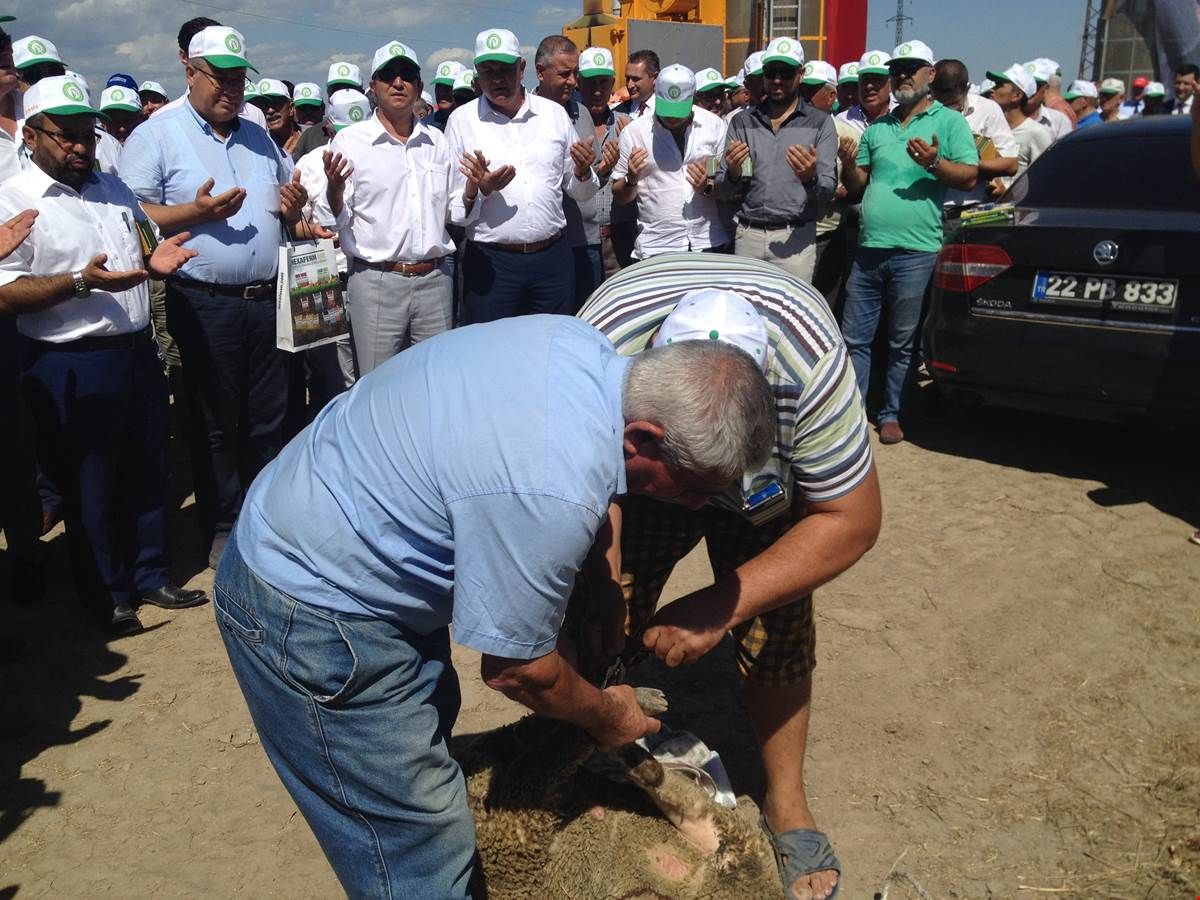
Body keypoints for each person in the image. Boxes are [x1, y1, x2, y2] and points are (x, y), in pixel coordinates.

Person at [214, 312, 776, 897]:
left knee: (428, 749)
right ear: (644, 439)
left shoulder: (585, 351)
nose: (693, 507)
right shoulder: (548, 485)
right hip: (311, 608)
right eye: (694, 488)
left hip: (334, 522)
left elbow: (554, 485)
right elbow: (515, 671)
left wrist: (603, 585)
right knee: (415, 845)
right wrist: (612, 716)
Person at [579, 261, 881, 900]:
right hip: (647, 480)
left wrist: (720, 605)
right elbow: (582, 481)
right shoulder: (601, 350)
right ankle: (609, 743)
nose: (699, 505)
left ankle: (787, 803)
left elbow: (851, 519)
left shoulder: (811, 368)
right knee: (599, 605)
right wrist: (604, 581)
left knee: (780, 626)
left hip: (764, 490)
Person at [0, 76, 208, 633]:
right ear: (32, 134)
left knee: (146, 468)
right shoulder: (13, 199)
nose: (79, 146)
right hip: (71, 360)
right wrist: (77, 283)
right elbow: (5, 292)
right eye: (64, 135)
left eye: (85, 134)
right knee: (89, 483)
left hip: (136, 351)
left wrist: (156, 256)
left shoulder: (111, 187)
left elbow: (140, 239)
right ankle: (106, 592)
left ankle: (150, 573)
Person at [119, 25, 310, 570]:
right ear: (189, 72)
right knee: (215, 420)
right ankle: (224, 524)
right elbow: (128, 218)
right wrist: (194, 214)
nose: (229, 90)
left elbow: (284, 201)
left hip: (267, 298)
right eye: (218, 79)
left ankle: (267, 520)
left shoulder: (255, 134)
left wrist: (293, 208)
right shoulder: (156, 135)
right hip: (203, 302)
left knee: (270, 420)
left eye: (236, 80)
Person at [839, 39, 979, 445]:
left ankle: (891, 414)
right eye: (897, 68)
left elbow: (969, 177)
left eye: (912, 68)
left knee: (902, 342)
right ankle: (852, 414)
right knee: (855, 339)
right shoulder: (878, 128)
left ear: (930, 75)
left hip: (916, 251)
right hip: (869, 250)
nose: (902, 75)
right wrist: (849, 165)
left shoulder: (949, 123)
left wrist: (934, 163)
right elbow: (858, 187)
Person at [317, 40, 455, 375]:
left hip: (434, 278)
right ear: (373, 87)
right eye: (388, 76)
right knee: (378, 385)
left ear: (419, 87)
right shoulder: (351, 142)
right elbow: (330, 217)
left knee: (434, 380)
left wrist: (478, 190)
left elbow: (456, 209)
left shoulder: (438, 142)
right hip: (377, 280)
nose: (398, 83)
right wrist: (334, 188)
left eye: (407, 75)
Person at [445, 28, 598, 323]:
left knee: (550, 349)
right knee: (491, 353)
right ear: (477, 75)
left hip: (552, 261)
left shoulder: (554, 115)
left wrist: (581, 171)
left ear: (523, 68)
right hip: (492, 264)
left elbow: (579, 191)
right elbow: (453, 211)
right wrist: (478, 190)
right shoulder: (461, 122)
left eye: (505, 69)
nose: (498, 78)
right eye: (488, 71)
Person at [721, 38, 835, 283]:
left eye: (785, 73)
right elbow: (722, 188)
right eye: (771, 72)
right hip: (748, 237)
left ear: (801, 74)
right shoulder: (741, 122)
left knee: (790, 315)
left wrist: (810, 178)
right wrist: (732, 173)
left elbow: (827, 191)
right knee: (746, 316)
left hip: (795, 240)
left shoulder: (821, 123)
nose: (777, 80)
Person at [289, 88, 370, 413]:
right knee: (327, 373)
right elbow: (291, 221)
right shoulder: (308, 164)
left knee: (364, 370)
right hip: (316, 275)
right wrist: (312, 228)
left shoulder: (376, 158)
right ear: (328, 129)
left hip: (360, 272)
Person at [612, 64, 729, 259]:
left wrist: (707, 185)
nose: (672, 118)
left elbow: (722, 180)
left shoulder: (714, 126)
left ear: (693, 97)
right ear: (656, 95)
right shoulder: (635, 133)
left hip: (707, 241)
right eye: (667, 109)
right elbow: (620, 196)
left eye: (679, 110)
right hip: (658, 246)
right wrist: (631, 178)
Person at [535, 35, 603, 306]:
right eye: (565, 74)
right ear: (540, 72)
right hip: (546, 246)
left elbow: (594, 175)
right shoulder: (523, 118)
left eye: (575, 73)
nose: (574, 82)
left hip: (586, 240)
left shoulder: (582, 114)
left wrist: (590, 169)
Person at [152, 17, 267, 130]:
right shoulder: (157, 130)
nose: (231, 90)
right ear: (191, 74)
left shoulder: (257, 128)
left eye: (239, 79)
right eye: (221, 78)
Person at [931, 59, 1019, 204]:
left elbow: (1010, 165)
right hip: (931, 211)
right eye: (941, 104)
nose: (947, 111)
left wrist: (963, 163)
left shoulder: (987, 110)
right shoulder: (922, 112)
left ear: (967, 88)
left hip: (970, 211)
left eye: (953, 103)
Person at [577, 47, 628, 281]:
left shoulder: (626, 126)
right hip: (580, 241)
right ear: (578, 82)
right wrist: (601, 170)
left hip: (619, 240)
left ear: (613, 83)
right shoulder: (566, 125)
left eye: (603, 82)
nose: (597, 90)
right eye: (590, 83)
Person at [611, 49, 660, 267]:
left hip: (654, 211)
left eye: (636, 79)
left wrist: (636, 134)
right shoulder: (617, 112)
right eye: (627, 78)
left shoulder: (666, 115)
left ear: (655, 78)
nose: (630, 85)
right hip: (623, 208)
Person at [988, 64, 1051, 179]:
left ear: (1016, 95)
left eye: (999, 85)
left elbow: (1044, 176)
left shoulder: (1036, 133)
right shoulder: (990, 126)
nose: (992, 90)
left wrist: (1006, 191)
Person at [837, 49, 893, 133]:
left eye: (876, 79)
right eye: (865, 79)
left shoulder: (904, 116)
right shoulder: (842, 121)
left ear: (891, 84)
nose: (869, 86)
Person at [1023, 59, 1072, 139]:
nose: (1030, 90)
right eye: (1025, 85)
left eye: (1036, 85)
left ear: (1045, 88)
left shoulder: (1059, 120)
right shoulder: (1003, 117)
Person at [251, 78, 300, 157]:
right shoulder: (255, 147)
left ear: (291, 108)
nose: (270, 111)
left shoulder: (310, 138)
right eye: (264, 105)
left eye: (276, 103)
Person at [423, 59, 467, 131]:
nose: (442, 92)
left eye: (448, 87)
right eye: (439, 87)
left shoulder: (473, 122)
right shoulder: (425, 125)